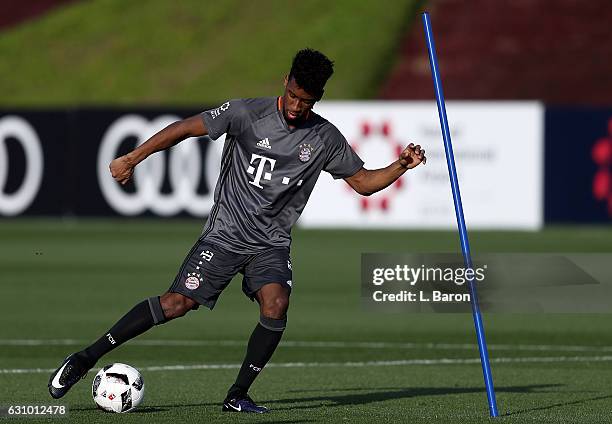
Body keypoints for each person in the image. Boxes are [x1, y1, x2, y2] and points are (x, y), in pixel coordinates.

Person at [48, 48, 426, 413]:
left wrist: (400, 165)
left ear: (318, 98)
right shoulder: (247, 112)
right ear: (285, 82)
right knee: (176, 304)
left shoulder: (325, 138)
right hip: (225, 234)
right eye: (293, 95)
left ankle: (237, 394)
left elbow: (362, 182)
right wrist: (132, 158)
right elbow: (183, 128)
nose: (296, 106)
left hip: (270, 243)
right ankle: (85, 358)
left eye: (306, 101)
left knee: (277, 305)